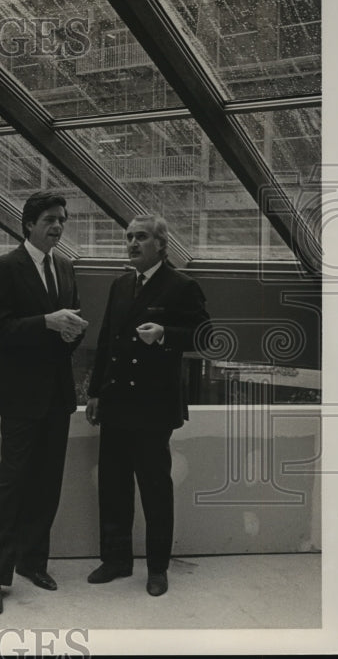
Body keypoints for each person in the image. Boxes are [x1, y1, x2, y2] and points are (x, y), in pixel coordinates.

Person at [85, 214, 210, 597]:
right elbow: (106, 339)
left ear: (160, 243)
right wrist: (94, 392)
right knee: (113, 484)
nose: (132, 244)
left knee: (155, 488)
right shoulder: (121, 284)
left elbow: (206, 337)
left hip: (154, 407)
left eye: (141, 237)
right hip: (117, 401)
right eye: (129, 237)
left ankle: (157, 568)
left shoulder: (181, 285)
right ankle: (116, 559)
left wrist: (165, 335)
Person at [0, 191, 88, 615]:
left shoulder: (64, 265)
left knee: (46, 484)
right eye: (49, 219)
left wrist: (70, 330)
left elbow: (72, 327)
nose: (57, 226)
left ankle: (32, 563)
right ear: (28, 224)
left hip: (56, 394)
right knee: (11, 487)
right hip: (20, 395)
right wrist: (47, 322)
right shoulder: (5, 268)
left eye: (61, 219)